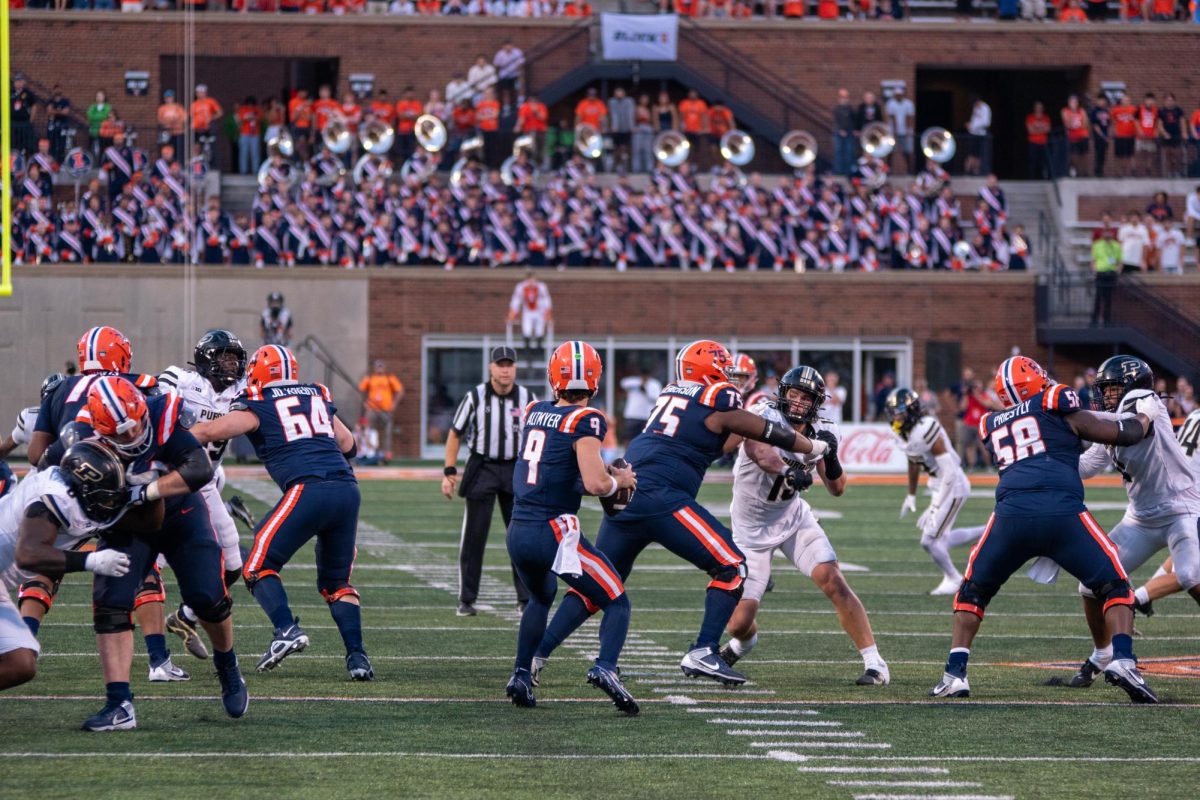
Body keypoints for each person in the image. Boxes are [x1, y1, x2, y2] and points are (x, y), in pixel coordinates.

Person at [529, 340, 831, 687]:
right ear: (707, 369)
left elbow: (724, 438)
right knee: (732, 566)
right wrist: (812, 446)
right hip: (661, 495)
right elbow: (761, 429)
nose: (726, 376)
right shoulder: (716, 398)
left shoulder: (673, 394)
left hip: (627, 491)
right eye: (721, 368)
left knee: (596, 588)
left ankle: (536, 655)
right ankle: (703, 650)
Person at [929, 356, 1157, 704]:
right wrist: (1146, 416)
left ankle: (954, 673)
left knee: (973, 590)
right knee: (1115, 584)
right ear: (1032, 382)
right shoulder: (1056, 402)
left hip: (1010, 517)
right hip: (1061, 512)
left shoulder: (990, 423)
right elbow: (1123, 434)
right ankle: (1124, 660)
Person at [191, 345, 372, 681]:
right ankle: (358, 658)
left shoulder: (259, 399)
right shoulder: (317, 393)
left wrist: (175, 438)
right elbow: (349, 444)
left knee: (257, 565)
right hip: (347, 489)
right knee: (337, 582)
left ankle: (286, 629)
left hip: (308, 488)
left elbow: (212, 431)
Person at [80, 376, 248, 729]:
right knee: (111, 602)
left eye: (136, 424)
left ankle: (227, 665)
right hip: (125, 525)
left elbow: (199, 468)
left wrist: (148, 491)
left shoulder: (159, 413)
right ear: (99, 430)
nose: (132, 436)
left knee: (208, 596)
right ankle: (119, 703)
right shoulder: (83, 444)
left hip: (180, 512)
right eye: (120, 433)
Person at [722, 366, 890, 686]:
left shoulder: (824, 427)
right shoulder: (762, 414)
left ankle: (876, 664)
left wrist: (832, 454)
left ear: (817, 402)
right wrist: (788, 472)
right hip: (750, 531)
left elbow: (837, 488)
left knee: (834, 580)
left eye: (806, 397)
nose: (798, 402)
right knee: (738, 623)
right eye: (794, 394)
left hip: (793, 517)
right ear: (782, 393)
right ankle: (742, 645)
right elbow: (759, 452)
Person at [504, 341, 639, 713]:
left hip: (519, 529)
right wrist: (621, 482)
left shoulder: (533, 411)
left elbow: (556, 465)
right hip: (554, 531)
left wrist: (603, 474)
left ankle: (521, 673)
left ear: (554, 376)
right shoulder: (587, 419)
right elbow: (596, 484)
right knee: (616, 599)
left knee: (540, 597)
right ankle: (606, 666)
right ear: (594, 380)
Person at [1057, 356, 1200, 689]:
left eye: (1112, 388)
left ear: (1131, 386)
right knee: (1090, 584)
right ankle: (1103, 653)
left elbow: (1137, 428)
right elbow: (1086, 467)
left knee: (1191, 573)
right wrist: (1049, 458)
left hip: (1180, 508)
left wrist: (1081, 421)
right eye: (1105, 390)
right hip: (1140, 517)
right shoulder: (1113, 423)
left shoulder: (1144, 401)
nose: (1107, 395)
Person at [0, 441, 132, 692]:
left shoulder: (73, 490)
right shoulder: (55, 495)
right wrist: (91, 560)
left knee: (20, 663)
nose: (108, 499)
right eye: (103, 491)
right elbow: (29, 554)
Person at [158, 330, 255, 662]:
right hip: (169, 477)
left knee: (233, 564)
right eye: (225, 357)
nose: (232, 364)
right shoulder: (181, 381)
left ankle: (186, 616)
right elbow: (152, 405)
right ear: (206, 358)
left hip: (205, 481)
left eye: (235, 358)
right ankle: (157, 656)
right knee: (149, 565)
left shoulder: (241, 391)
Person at [441, 346, 535, 616]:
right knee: (474, 536)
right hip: (482, 466)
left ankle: (525, 599)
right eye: (500, 364)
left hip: (516, 467)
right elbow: (455, 433)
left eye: (510, 364)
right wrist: (449, 471)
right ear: (491, 368)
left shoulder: (528, 398)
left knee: (521, 536)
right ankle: (466, 600)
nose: (505, 369)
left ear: (515, 368)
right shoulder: (475, 396)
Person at [888, 387, 981, 595]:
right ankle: (990, 531)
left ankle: (954, 578)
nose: (896, 417)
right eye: (893, 412)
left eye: (900, 412)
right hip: (939, 484)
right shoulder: (906, 432)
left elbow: (949, 473)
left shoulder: (926, 428)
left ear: (911, 411)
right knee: (941, 539)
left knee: (929, 540)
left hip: (952, 485)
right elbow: (913, 461)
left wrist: (935, 506)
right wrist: (911, 495)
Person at [358, 359, 405, 463]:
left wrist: (394, 404)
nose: (379, 368)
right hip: (372, 409)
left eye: (381, 366)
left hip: (386, 410)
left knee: (387, 432)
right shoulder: (370, 378)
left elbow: (400, 390)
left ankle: (386, 454)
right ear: (374, 367)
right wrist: (365, 402)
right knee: (369, 431)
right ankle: (370, 453)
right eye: (377, 366)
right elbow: (361, 390)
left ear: (384, 367)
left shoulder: (389, 378)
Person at [507, 271, 553, 355]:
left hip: (539, 311)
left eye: (533, 280)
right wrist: (513, 311)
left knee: (540, 329)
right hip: (527, 311)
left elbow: (546, 299)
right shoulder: (521, 287)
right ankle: (527, 348)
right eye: (530, 280)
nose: (532, 282)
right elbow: (516, 299)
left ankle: (539, 347)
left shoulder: (541, 287)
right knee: (526, 329)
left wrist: (547, 311)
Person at [618, 367, 662, 445]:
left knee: (645, 438)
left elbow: (657, 398)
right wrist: (640, 384)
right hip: (632, 415)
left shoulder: (654, 384)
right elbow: (623, 383)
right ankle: (627, 455)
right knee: (628, 437)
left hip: (646, 416)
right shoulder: (635, 381)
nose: (644, 377)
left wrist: (645, 390)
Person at [1091, 226, 1120, 325]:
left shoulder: (1116, 245)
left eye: (1110, 232)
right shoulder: (1097, 245)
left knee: (1109, 299)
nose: (1108, 234)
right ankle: (1094, 320)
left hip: (1111, 273)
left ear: (1112, 234)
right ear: (1103, 234)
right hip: (1101, 272)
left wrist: (1117, 271)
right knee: (1098, 297)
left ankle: (1106, 321)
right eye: (1106, 232)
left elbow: (1120, 261)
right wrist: (1094, 271)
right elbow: (1093, 260)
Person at [885, 87, 915, 175]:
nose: (898, 97)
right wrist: (894, 132)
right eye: (897, 95)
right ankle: (888, 170)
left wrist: (908, 130)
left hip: (905, 132)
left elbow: (909, 117)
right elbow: (891, 117)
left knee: (907, 152)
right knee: (890, 152)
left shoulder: (908, 104)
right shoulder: (891, 104)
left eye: (900, 95)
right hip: (893, 132)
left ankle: (910, 171)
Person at [964, 96, 991, 176]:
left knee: (978, 155)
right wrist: (970, 125)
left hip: (981, 135)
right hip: (973, 134)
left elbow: (986, 122)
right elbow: (974, 119)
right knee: (971, 154)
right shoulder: (975, 108)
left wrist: (973, 126)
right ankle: (968, 172)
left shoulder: (985, 108)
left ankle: (976, 172)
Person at [832, 88, 856, 177]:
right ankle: (838, 171)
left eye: (846, 97)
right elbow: (835, 121)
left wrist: (853, 130)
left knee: (849, 152)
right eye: (842, 97)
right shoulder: (836, 109)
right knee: (838, 152)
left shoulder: (850, 109)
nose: (844, 99)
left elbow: (853, 120)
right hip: (838, 134)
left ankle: (848, 171)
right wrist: (840, 130)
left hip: (849, 133)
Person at [157, 89, 186, 159]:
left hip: (178, 132)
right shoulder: (162, 108)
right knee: (167, 148)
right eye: (167, 97)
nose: (168, 99)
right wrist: (166, 124)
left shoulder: (178, 107)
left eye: (170, 97)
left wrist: (174, 121)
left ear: (173, 98)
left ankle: (178, 164)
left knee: (178, 149)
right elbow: (160, 120)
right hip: (167, 133)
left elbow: (184, 118)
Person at [1026, 101, 1052, 180]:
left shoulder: (1046, 118)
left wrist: (1036, 130)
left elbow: (1048, 129)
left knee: (1044, 162)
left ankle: (1044, 178)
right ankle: (1032, 178)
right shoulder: (1030, 117)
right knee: (1033, 161)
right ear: (1034, 108)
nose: (1039, 109)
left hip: (1043, 142)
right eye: (1037, 107)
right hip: (1033, 142)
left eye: (1040, 107)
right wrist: (1042, 129)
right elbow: (1030, 130)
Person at [1090, 93, 1111, 178]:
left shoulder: (1106, 111)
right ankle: (1097, 171)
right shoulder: (1094, 111)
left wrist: (1107, 135)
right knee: (1098, 153)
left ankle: (1101, 170)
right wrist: (1102, 135)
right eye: (1100, 100)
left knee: (1103, 153)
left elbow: (1109, 123)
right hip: (1098, 136)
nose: (1102, 102)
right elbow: (1095, 125)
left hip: (1105, 136)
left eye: (1103, 100)